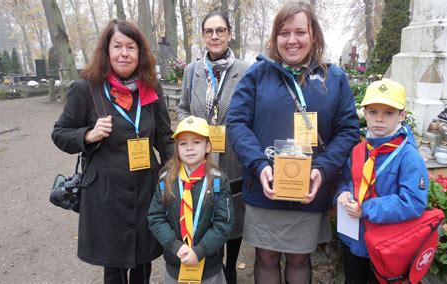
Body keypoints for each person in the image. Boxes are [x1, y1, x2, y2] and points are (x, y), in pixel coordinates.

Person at [226, 2, 359, 283]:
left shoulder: (333, 78)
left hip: (310, 187)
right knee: (266, 257)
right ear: (275, 38)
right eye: (284, 33)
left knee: (300, 257)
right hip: (267, 186)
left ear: (314, 36)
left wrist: (322, 169)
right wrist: (259, 165)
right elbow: (237, 123)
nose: (292, 40)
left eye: (300, 32)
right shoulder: (257, 75)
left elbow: (348, 130)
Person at [51, 19, 173, 283]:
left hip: (145, 190)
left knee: (143, 261)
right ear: (106, 51)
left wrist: (175, 175)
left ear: (140, 53)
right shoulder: (86, 88)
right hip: (106, 194)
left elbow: (164, 138)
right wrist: (88, 134)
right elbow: (59, 133)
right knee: (114, 268)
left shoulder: (151, 89)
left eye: (131, 47)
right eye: (117, 46)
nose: (124, 53)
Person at [177, 10, 250, 284]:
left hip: (233, 157)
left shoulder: (244, 71)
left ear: (229, 34)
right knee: (204, 213)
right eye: (209, 31)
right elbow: (183, 107)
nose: (215, 36)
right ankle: (212, 267)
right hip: (199, 159)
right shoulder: (192, 71)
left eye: (220, 30)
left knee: (233, 215)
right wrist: (193, 133)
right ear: (203, 36)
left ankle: (230, 268)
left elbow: (251, 112)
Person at [336, 79, 429, 284]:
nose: (379, 119)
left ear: (402, 115)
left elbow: (413, 201)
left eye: (388, 113)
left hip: (386, 243)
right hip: (354, 238)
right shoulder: (359, 150)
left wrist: (366, 209)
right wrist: (342, 193)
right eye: (373, 112)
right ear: (365, 113)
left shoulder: (408, 157)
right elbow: (346, 180)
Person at [147, 115, 235, 283]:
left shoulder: (218, 180)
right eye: (183, 143)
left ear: (208, 146)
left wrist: (200, 250)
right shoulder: (166, 180)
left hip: (209, 267)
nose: (189, 148)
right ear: (177, 148)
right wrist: (175, 246)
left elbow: (224, 223)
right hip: (175, 265)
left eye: (196, 142)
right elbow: (155, 217)